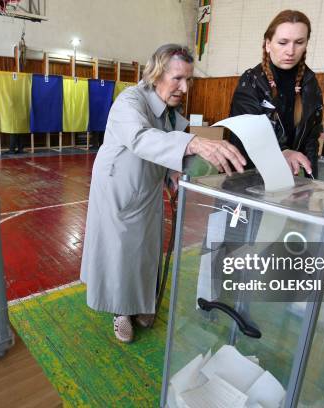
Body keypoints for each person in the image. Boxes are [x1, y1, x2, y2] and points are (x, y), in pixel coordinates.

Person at [80, 44, 246, 343]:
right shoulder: (129, 100)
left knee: (147, 248)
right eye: (177, 78)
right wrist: (193, 143)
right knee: (122, 251)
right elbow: (141, 138)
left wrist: (174, 173)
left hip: (148, 186)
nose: (184, 87)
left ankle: (141, 302)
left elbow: (166, 146)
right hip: (120, 187)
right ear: (156, 74)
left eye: (188, 80)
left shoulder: (169, 111)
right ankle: (121, 311)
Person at [229, 9, 323, 177]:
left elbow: (311, 138)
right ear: (267, 44)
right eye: (283, 42)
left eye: (299, 42)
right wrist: (283, 151)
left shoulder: (310, 82)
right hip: (250, 177)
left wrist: (312, 180)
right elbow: (249, 133)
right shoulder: (251, 81)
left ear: (306, 44)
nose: (291, 51)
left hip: (291, 177)